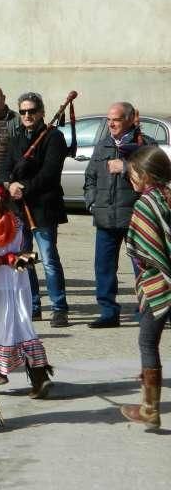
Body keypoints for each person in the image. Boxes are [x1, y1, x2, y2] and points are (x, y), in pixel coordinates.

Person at [0, 178, 54, 398]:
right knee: (20, 324)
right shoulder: (15, 220)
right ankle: (39, 376)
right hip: (16, 280)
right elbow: (18, 248)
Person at [1, 92, 70, 327]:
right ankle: (33, 305)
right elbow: (5, 168)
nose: (27, 115)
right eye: (23, 112)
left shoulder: (53, 137)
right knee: (24, 259)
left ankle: (59, 307)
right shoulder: (16, 137)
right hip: (20, 209)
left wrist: (25, 188)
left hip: (43, 208)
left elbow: (50, 174)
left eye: (31, 111)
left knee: (49, 259)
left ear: (41, 112)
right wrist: (10, 186)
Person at [84, 102, 155, 328]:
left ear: (129, 119)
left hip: (135, 217)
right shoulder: (103, 145)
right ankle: (108, 312)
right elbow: (90, 177)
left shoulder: (144, 144)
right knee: (103, 267)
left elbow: (155, 176)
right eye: (108, 119)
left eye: (116, 119)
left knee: (142, 266)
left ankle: (148, 310)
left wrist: (125, 167)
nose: (111, 123)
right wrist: (92, 203)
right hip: (106, 217)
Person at [121, 145, 171, 428]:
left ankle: (150, 408)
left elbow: (143, 249)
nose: (131, 180)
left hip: (158, 284)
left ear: (146, 175)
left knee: (147, 341)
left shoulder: (145, 203)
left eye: (133, 175)